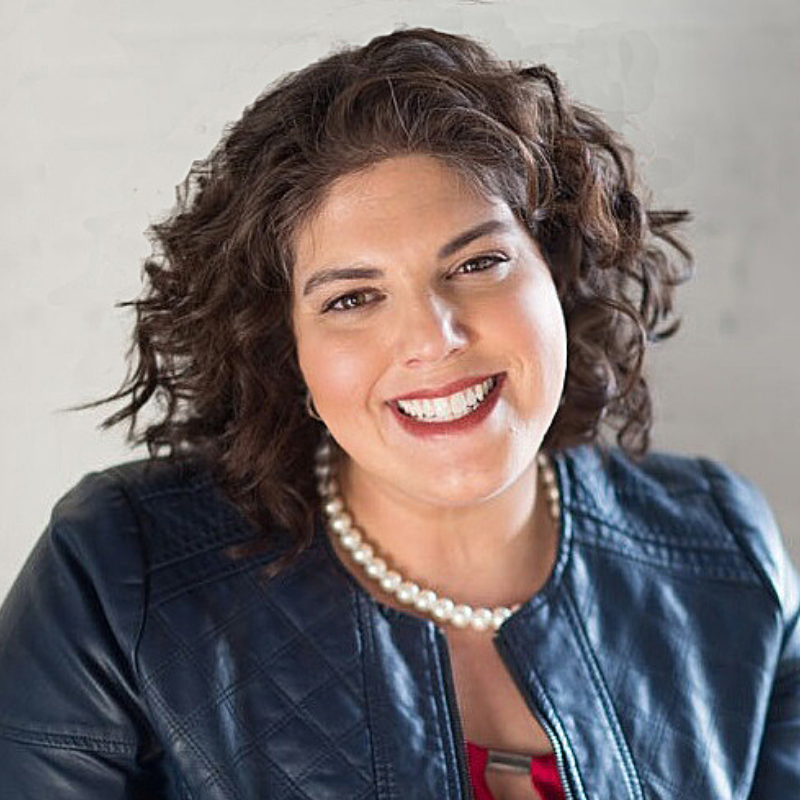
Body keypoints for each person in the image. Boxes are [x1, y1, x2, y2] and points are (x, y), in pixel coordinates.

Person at [0, 25, 797, 800]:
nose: (432, 339)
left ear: (555, 270)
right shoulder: (119, 575)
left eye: (478, 262)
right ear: (290, 354)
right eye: (352, 298)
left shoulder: (720, 549)